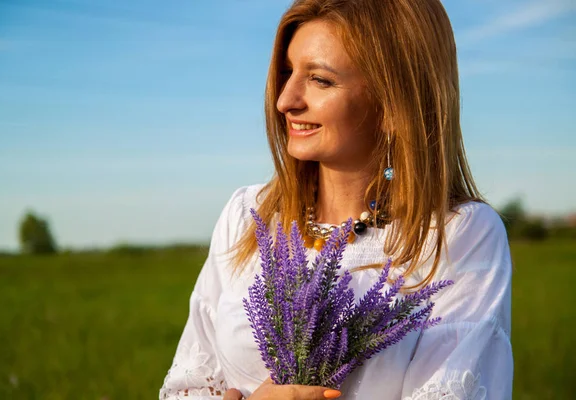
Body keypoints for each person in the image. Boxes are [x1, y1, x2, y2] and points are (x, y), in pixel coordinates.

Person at [159, 0, 513, 399]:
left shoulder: (456, 234)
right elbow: (184, 388)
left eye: (320, 80)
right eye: (287, 72)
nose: (285, 100)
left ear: (395, 104)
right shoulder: (247, 216)